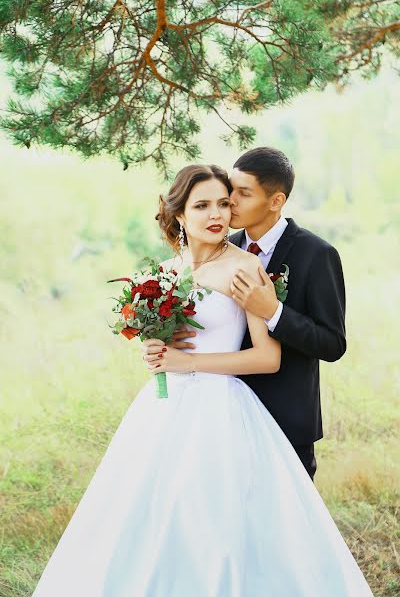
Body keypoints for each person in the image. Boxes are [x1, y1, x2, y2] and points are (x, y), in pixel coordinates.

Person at [32, 164, 372, 596]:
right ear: (179, 214)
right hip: (163, 410)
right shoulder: (165, 272)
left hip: (223, 410)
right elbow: (166, 345)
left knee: (219, 525)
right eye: (203, 205)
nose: (218, 214)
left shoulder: (246, 267)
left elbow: (267, 358)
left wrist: (185, 363)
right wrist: (152, 349)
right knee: (151, 514)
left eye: (225, 204)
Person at [171, 147, 346, 480]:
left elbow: (333, 343)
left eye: (243, 193)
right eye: (230, 190)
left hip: (285, 417)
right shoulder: (222, 247)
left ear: (275, 201)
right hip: (221, 413)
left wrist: (274, 312)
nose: (230, 201)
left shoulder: (316, 254)